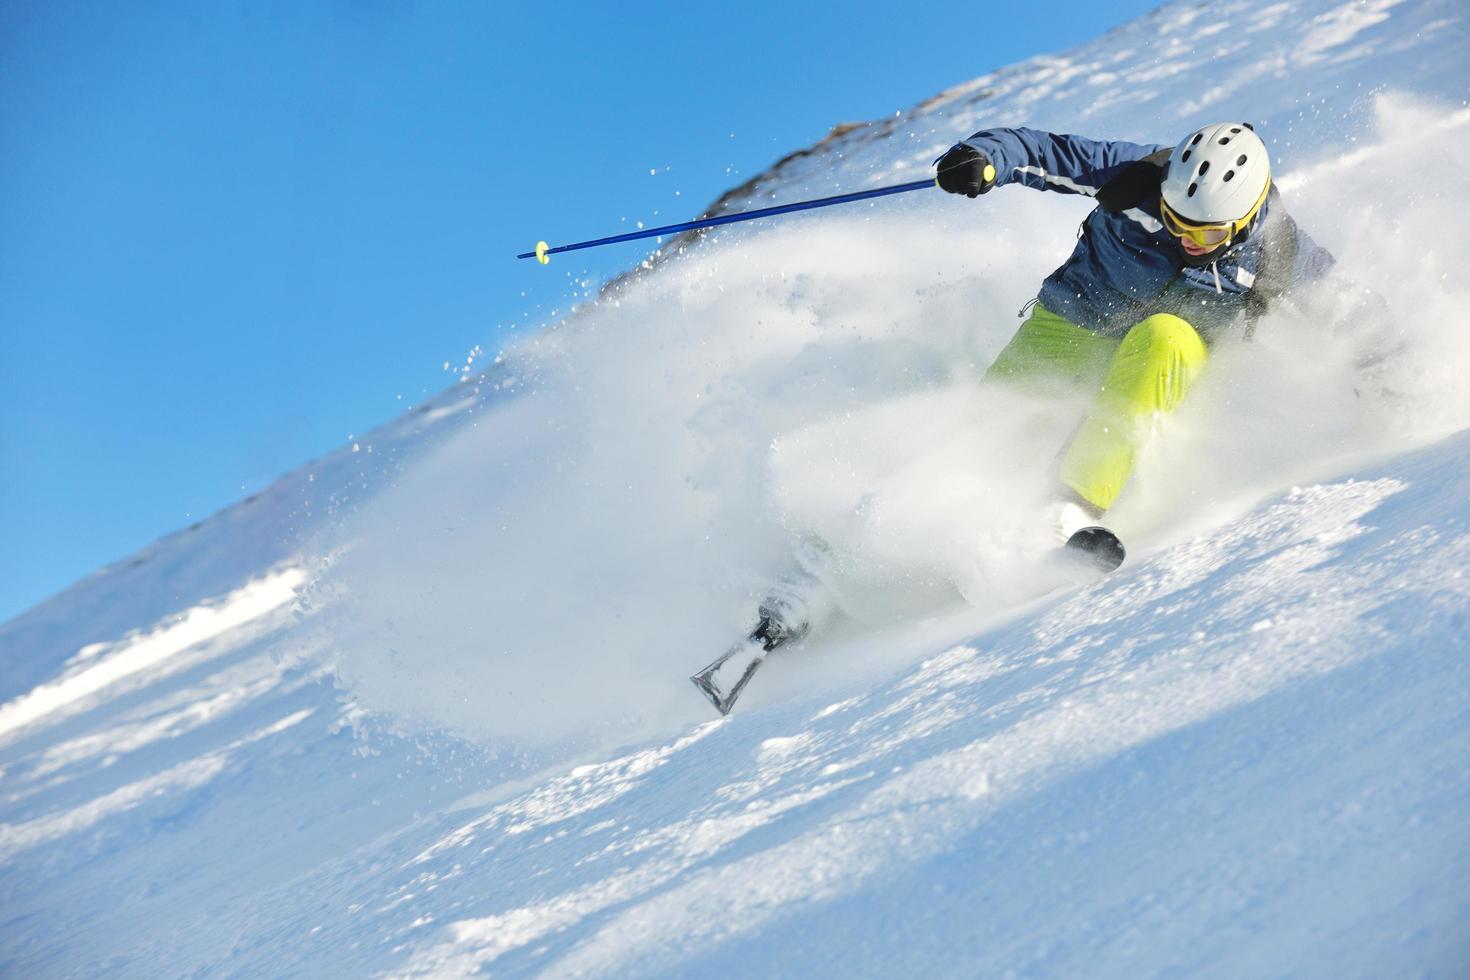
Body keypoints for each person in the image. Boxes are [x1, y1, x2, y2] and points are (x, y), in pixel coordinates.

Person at [933, 122, 1338, 546]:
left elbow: (1347, 309)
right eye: (1176, 220)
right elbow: (1042, 151)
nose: (1188, 239)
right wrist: (983, 158)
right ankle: (935, 511)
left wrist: (1400, 376)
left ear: (1246, 218)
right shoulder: (1138, 175)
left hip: (1168, 362)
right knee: (993, 426)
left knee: (1165, 337)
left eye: (1209, 232)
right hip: (1080, 316)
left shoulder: (1277, 250)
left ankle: (1068, 509)